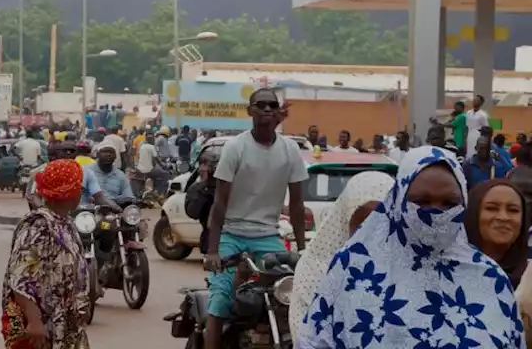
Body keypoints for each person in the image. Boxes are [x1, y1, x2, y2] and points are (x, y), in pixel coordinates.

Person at [297, 146, 523, 349]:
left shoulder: (489, 278)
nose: (435, 214)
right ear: (398, 203)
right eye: (422, 202)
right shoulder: (354, 270)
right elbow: (314, 341)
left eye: (449, 204)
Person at [204, 88, 308, 349]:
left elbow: (296, 206)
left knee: (288, 298)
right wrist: (213, 251)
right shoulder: (235, 148)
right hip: (232, 236)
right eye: (260, 105)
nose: (267, 109)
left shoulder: (290, 150)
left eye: (272, 105)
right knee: (220, 299)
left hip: (268, 238)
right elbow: (219, 204)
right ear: (250, 111)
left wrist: (304, 250)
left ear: (278, 111)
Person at [289, 171, 394, 344]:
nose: (371, 233)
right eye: (362, 224)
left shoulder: (412, 268)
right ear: (345, 220)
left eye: (382, 222)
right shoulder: (316, 270)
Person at [1, 159, 89, 349]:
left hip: (64, 325)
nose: (81, 192)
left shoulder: (64, 223)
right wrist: (34, 322)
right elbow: (21, 277)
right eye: (78, 187)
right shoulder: (39, 226)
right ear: (67, 192)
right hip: (42, 329)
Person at [466, 178, 528, 290]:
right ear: (473, 214)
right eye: (491, 208)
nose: (503, 217)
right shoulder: (450, 274)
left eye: (513, 210)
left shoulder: (528, 279)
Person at [467, 95, 491, 159]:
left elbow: (486, 128)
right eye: (474, 100)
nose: (474, 101)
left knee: (475, 152)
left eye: (476, 100)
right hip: (469, 135)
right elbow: (466, 126)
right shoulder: (468, 112)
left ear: (481, 103)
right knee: (468, 153)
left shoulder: (483, 115)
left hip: (477, 136)